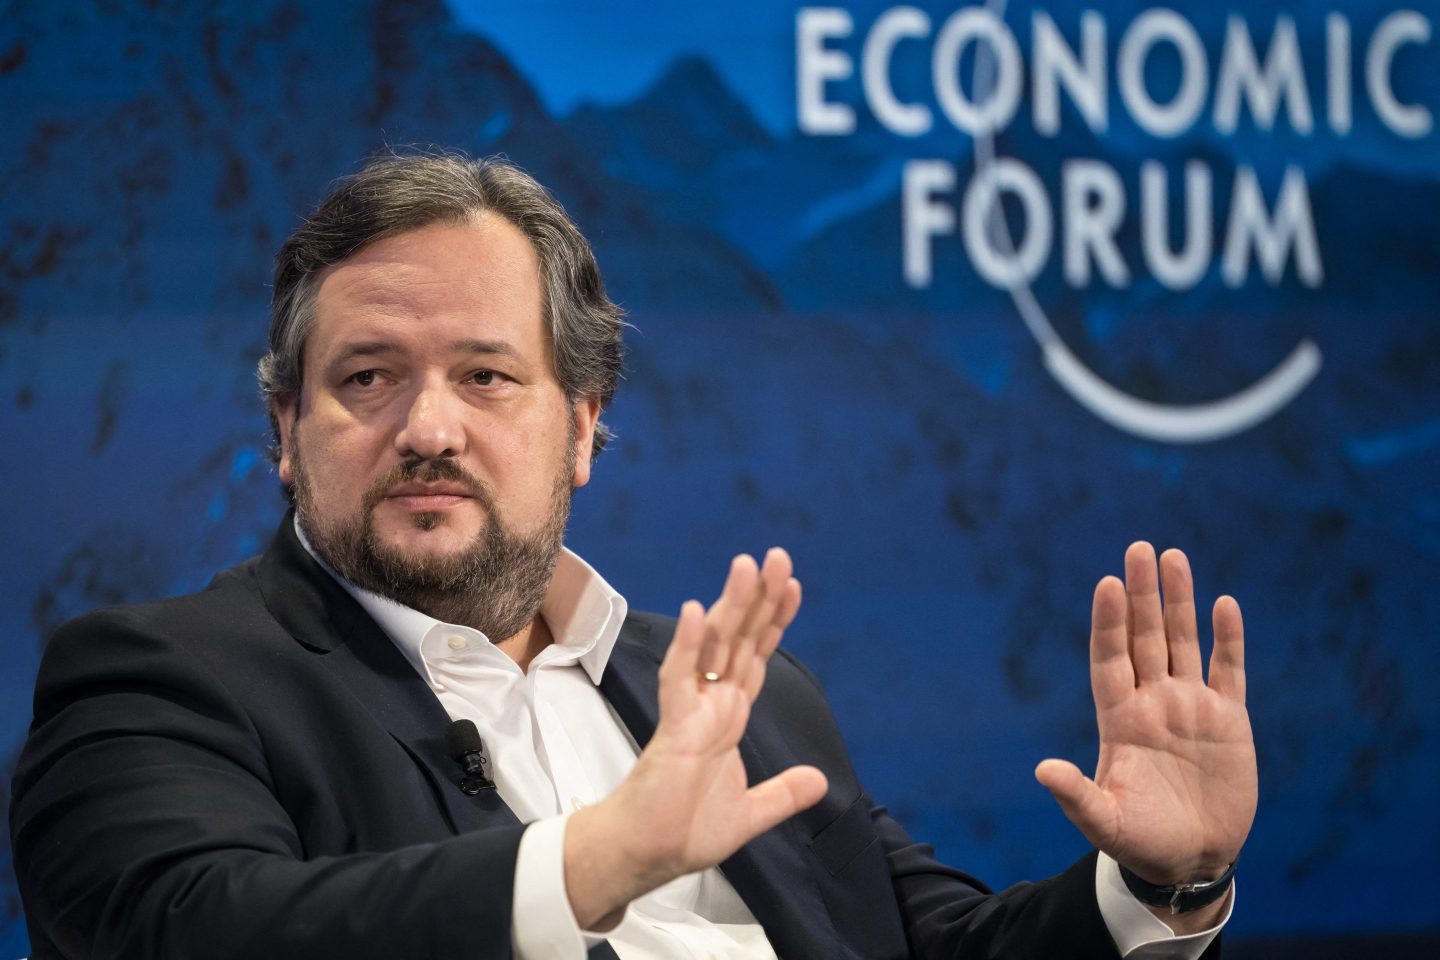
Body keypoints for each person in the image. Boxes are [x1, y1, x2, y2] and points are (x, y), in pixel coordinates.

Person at [9, 153, 1257, 959]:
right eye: (366, 379)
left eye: (487, 377)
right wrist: (600, 858)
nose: (428, 427)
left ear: (585, 427)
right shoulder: (160, 681)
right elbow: (201, 933)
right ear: (285, 432)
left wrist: (1160, 886)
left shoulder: (733, 695)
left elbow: (926, 947)